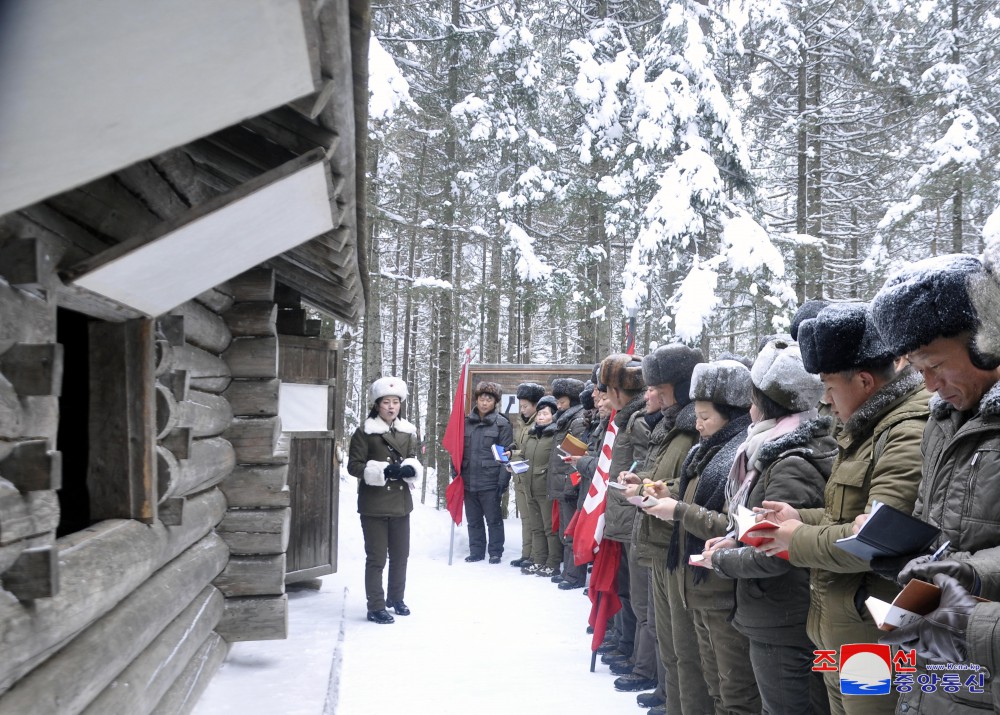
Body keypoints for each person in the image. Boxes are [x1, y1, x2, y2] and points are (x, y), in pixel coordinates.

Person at [753, 303, 929, 715]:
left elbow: (876, 541)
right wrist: (801, 519)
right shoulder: (867, 428)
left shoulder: (905, 433)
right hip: (846, 633)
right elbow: (847, 516)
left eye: (830, 387)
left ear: (865, 381)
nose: (825, 401)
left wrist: (794, 539)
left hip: (874, 638)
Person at [866, 254, 1000, 714]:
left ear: (988, 344)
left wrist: (969, 573)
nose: (927, 385)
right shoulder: (942, 422)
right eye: (917, 369)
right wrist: (903, 554)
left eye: (934, 365)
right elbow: (938, 525)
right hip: (932, 663)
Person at [701, 339, 835, 714]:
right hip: (779, 612)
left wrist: (723, 560)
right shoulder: (772, 450)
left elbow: (778, 551)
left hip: (782, 615)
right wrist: (733, 541)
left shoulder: (787, 461)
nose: (749, 408)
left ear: (766, 404)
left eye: (753, 399)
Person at [643, 359, 761, 715]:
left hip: (719, 588)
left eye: (706, 417)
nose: (697, 424)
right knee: (712, 683)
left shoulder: (737, 455)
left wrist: (677, 510)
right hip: (695, 581)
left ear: (733, 415)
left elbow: (730, 523)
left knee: (732, 690)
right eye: (696, 414)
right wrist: (662, 489)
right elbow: (692, 492)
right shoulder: (704, 450)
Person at [623, 343, 710, 715]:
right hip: (660, 539)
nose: (648, 393)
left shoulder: (692, 428)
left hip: (677, 544)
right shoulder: (672, 425)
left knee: (683, 647)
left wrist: (652, 490)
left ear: (674, 386)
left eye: (655, 386)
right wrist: (643, 482)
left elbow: (691, 485)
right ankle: (670, 699)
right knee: (670, 642)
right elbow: (668, 476)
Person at [347, 376, 422, 624]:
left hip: (401, 504)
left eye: (395, 402)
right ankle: (375, 606)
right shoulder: (364, 432)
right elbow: (354, 466)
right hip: (374, 505)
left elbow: (412, 457)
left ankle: (396, 599)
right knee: (377, 558)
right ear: (377, 405)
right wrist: (382, 471)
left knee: (401, 556)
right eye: (386, 402)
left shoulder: (408, 431)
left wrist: (410, 468)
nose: (391, 407)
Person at [460, 381, 515, 564]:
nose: (484, 403)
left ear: (495, 402)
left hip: (490, 481)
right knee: (473, 520)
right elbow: (457, 451)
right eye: (482, 399)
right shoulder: (466, 423)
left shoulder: (502, 424)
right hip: (468, 480)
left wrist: (502, 481)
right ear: (477, 400)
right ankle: (476, 551)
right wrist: (456, 474)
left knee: (494, 520)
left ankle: (495, 551)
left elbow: (505, 455)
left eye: (489, 399)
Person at [546, 377, 587, 580]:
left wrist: (572, 484)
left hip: (569, 483)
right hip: (562, 483)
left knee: (571, 532)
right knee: (565, 530)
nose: (558, 406)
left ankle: (574, 574)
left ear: (572, 400)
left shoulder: (577, 421)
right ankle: (567, 571)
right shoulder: (564, 419)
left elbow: (576, 456)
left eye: (562, 402)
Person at [521, 396, 561, 575]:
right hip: (529, 487)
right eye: (539, 414)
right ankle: (539, 560)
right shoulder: (531, 435)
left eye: (545, 414)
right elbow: (522, 455)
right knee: (536, 527)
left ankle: (552, 563)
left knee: (549, 528)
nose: (540, 417)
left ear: (554, 416)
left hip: (546, 489)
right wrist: (512, 459)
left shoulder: (555, 436)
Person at [510, 382, 545, 568]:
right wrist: (511, 450)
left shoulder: (538, 424)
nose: (522, 409)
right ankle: (526, 553)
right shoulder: (521, 424)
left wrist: (513, 455)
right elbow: (519, 447)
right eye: (521, 406)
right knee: (525, 519)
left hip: (532, 477)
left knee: (534, 520)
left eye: (526, 406)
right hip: (519, 476)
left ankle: (534, 555)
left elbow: (530, 451)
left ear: (535, 406)